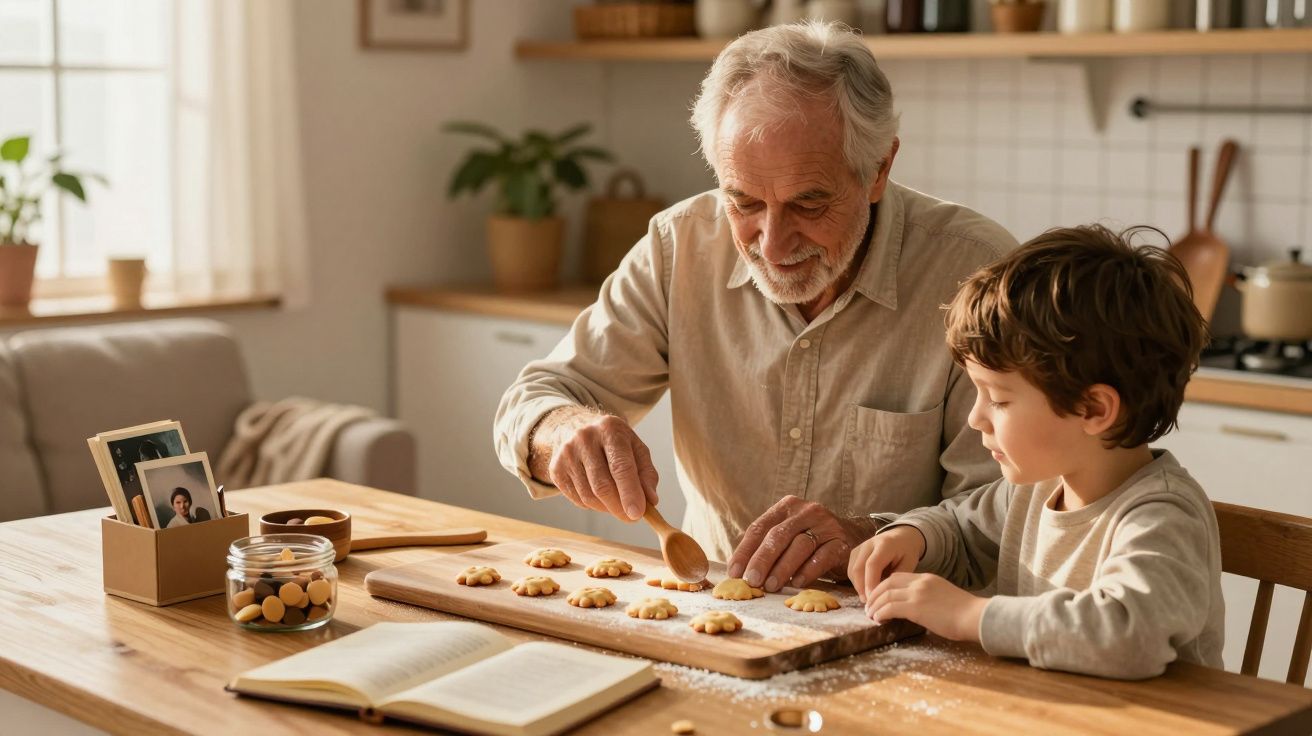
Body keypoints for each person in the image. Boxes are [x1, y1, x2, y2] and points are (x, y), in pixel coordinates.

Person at [494, 21, 1017, 592]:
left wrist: (875, 536)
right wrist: (564, 429)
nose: (771, 244)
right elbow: (535, 398)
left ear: (879, 171)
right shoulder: (680, 248)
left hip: (906, 625)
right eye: (742, 202)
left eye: (808, 204)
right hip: (714, 613)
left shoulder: (980, 274)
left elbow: (1010, 507)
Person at [848, 225, 1222, 679]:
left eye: (999, 399)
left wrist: (973, 617)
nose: (975, 418)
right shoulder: (1033, 491)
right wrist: (912, 537)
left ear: (1093, 408)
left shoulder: (1161, 516)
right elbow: (961, 531)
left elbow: (1129, 634)